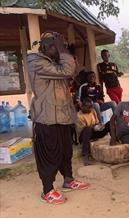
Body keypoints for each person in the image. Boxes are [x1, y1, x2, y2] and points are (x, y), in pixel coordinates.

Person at [27, 31, 88, 205]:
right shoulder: (36, 62)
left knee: (65, 152)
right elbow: (67, 70)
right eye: (56, 46)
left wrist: (62, 52)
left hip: (62, 116)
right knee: (49, 155)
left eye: (60, 46)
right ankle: (47, 190)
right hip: (46, 119)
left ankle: (68, 180)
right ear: (45, 47)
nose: (60, 49)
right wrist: (63, 50)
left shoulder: (56, 62)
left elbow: (72, 72)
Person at [76, 98, 116, 165]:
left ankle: (115, 140)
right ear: (82, 106)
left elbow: (96, 122)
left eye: (91, 107)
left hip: (94, 132)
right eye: (88, 107)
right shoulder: (78, 116)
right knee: (87, 129)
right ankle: (85, 155)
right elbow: (82, 130)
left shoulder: (92, 111)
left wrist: (100, 126)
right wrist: (93, 127)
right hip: (84, 136)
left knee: (109, 123)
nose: (90, 109)